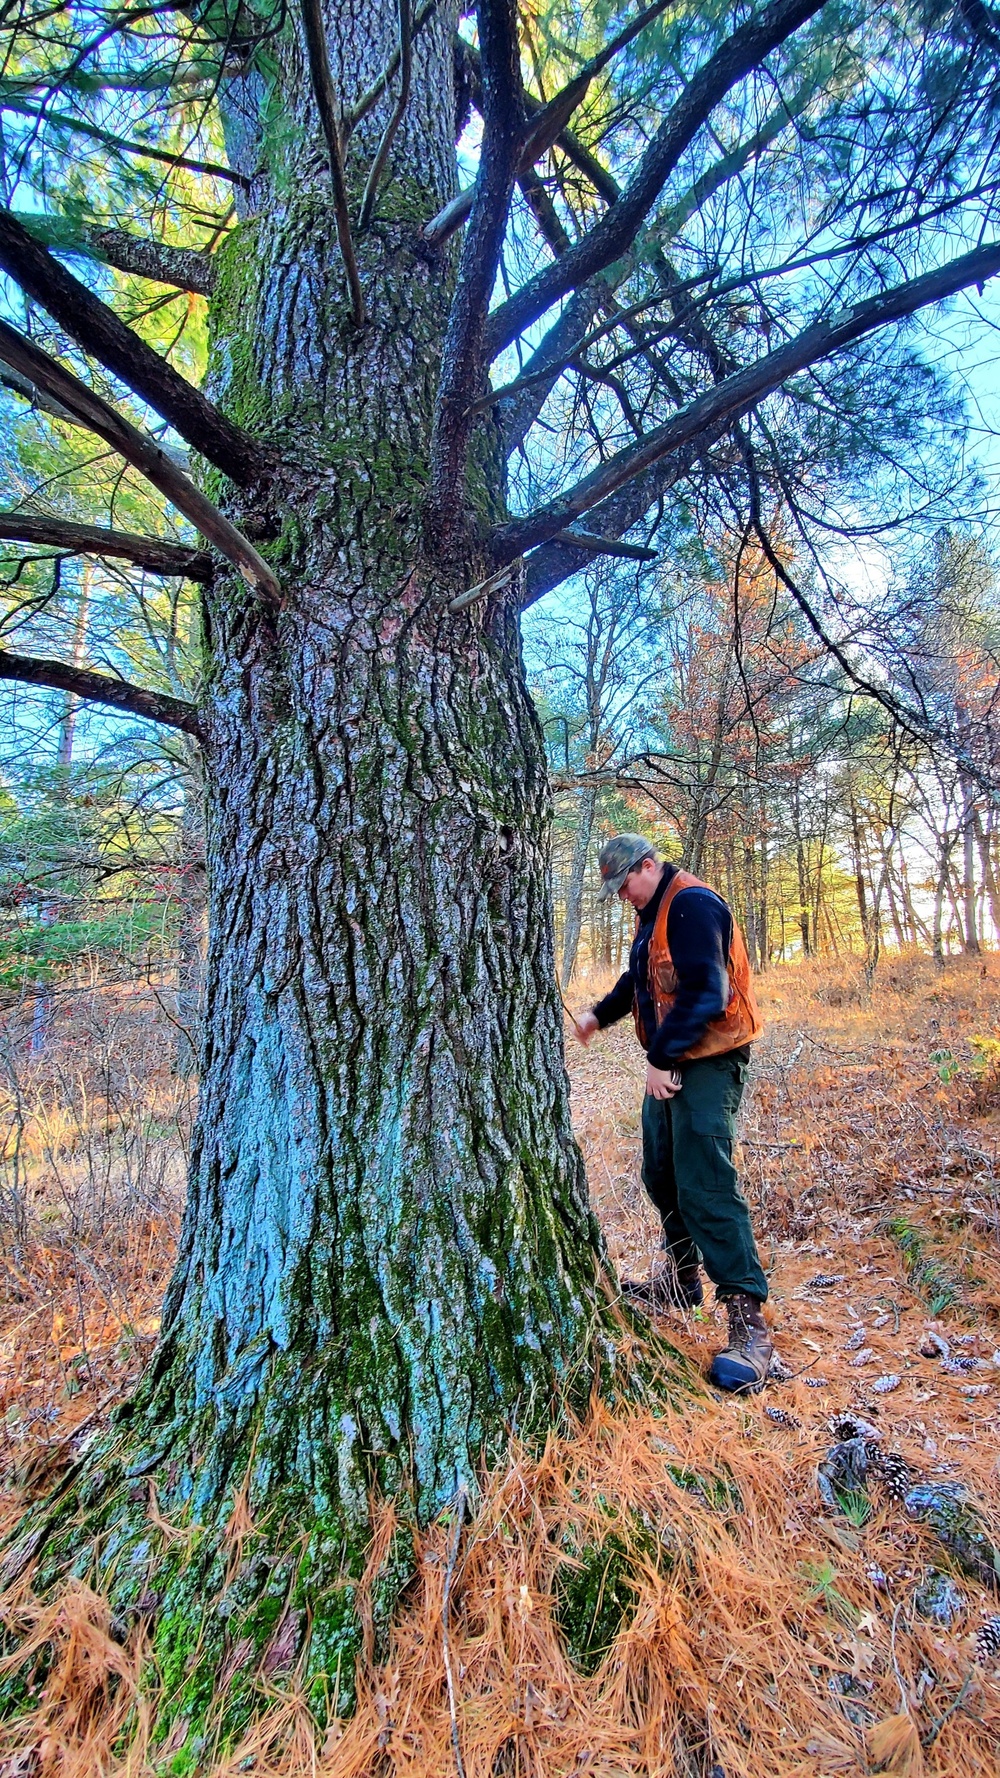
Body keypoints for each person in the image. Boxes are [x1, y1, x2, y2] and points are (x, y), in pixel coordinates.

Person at [573, 833, 774, 1393]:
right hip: (672, 1059)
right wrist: (598, 1015)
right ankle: (682, 1279)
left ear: (648, 865)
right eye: (614, 890)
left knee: (704, 1180)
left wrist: (659, 1058)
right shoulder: (652, 911)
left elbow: (708, 992)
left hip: (709, 1059)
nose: (622, 897)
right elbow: (641, 979)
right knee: (660, 1171)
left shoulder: (691, 903)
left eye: (625, 884)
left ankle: (748, 1321)